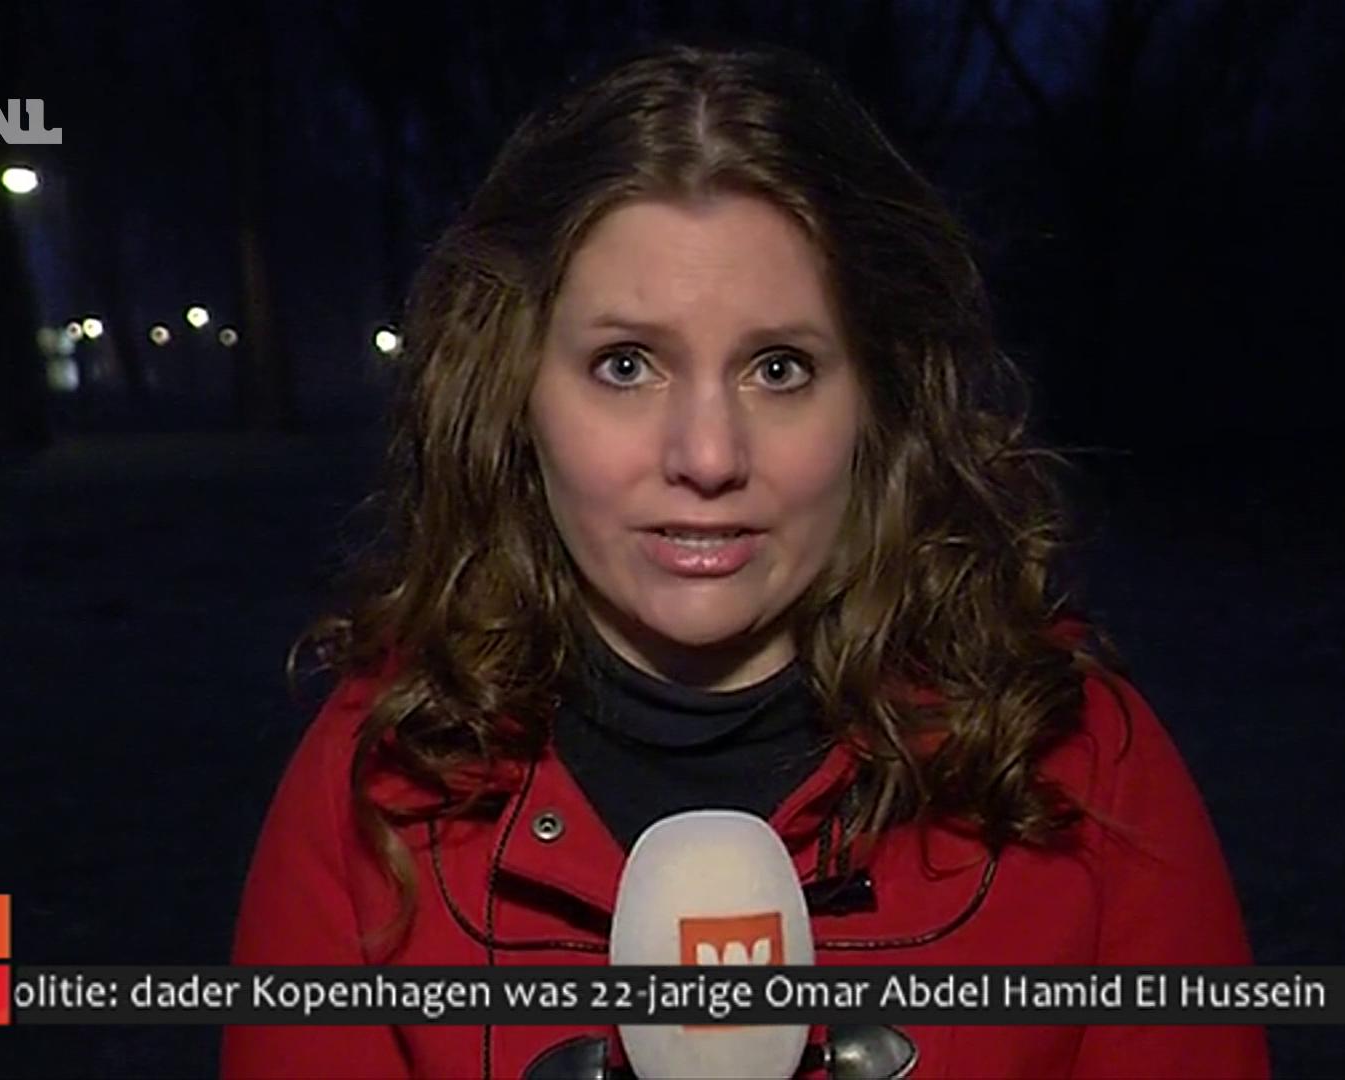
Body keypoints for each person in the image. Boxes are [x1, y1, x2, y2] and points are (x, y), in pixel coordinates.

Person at [223, 40, 1267, 1080]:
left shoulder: (1083, 763)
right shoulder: (375, 782)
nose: (709, 456)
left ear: (879, 400)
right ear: (513, 392)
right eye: (625, 365)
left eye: (779, 368)